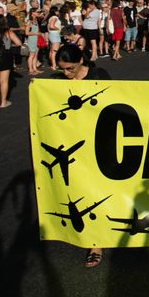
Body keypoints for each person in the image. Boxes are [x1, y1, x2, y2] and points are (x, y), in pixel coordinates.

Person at [52, 44, 112, 267]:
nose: (66, 73)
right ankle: (95, 243)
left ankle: (108, 232)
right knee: (82, 192)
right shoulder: (55, 81)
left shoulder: (98, 75)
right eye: (63, 69)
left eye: (70, 68)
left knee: (103, 189)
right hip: (72, 142)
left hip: (99, 141)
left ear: (81, 61)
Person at [46, 6, 63, 70]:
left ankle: (52, 64)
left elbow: (48, 27)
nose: (58, 12)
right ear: (55, 11)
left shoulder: (50, 18)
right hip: (55, 34)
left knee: (51, 51)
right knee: (55, 51)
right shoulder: (55, 17)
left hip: (51, 34)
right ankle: (54, 65)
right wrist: (58, 28)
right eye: (57, 11)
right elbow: (51, 26)